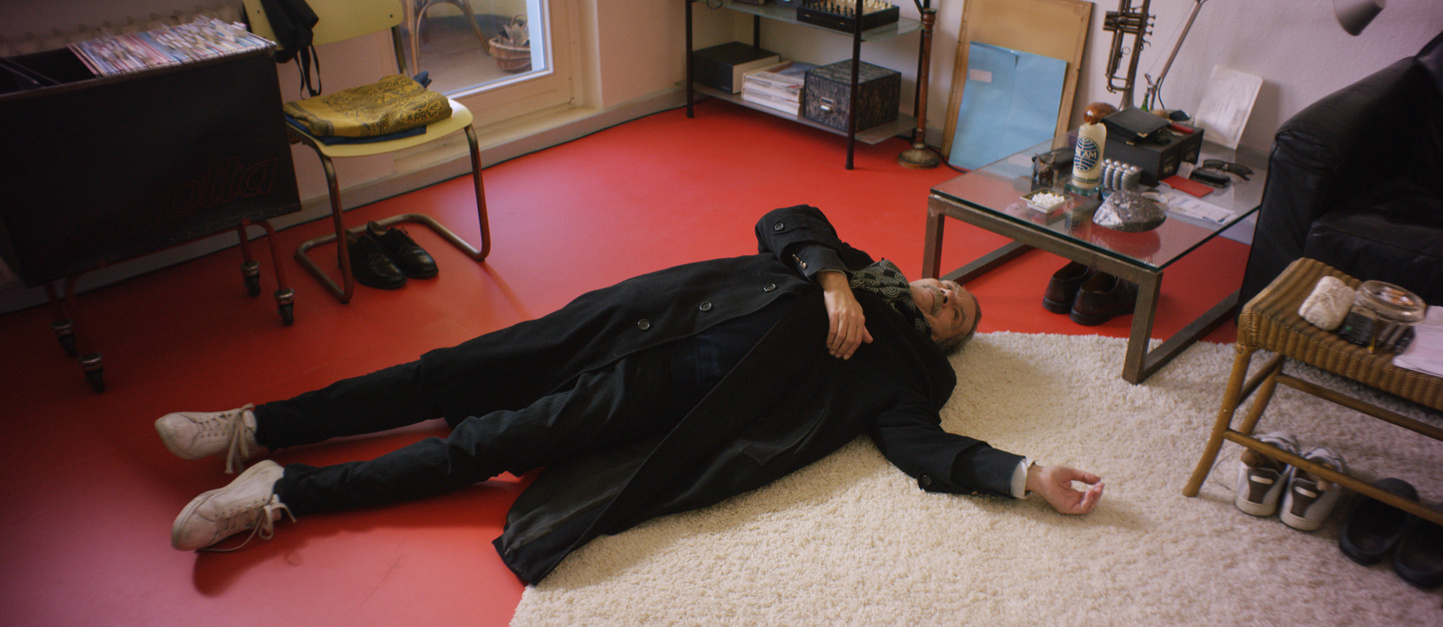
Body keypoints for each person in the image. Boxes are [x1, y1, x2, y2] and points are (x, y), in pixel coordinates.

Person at [158, 204, 1105, 583]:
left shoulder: (901, 374)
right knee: (443, 374)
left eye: (954, 312)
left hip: (658, 392)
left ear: (943, 341)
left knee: (486, 443)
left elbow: (926, 450)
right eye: (945, 285)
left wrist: (1026, 474)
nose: (941, 295)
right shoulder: (846, 262)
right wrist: (831, 281)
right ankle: (257, 423)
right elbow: (783, 217)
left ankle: (283, 490)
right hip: (631, 317)